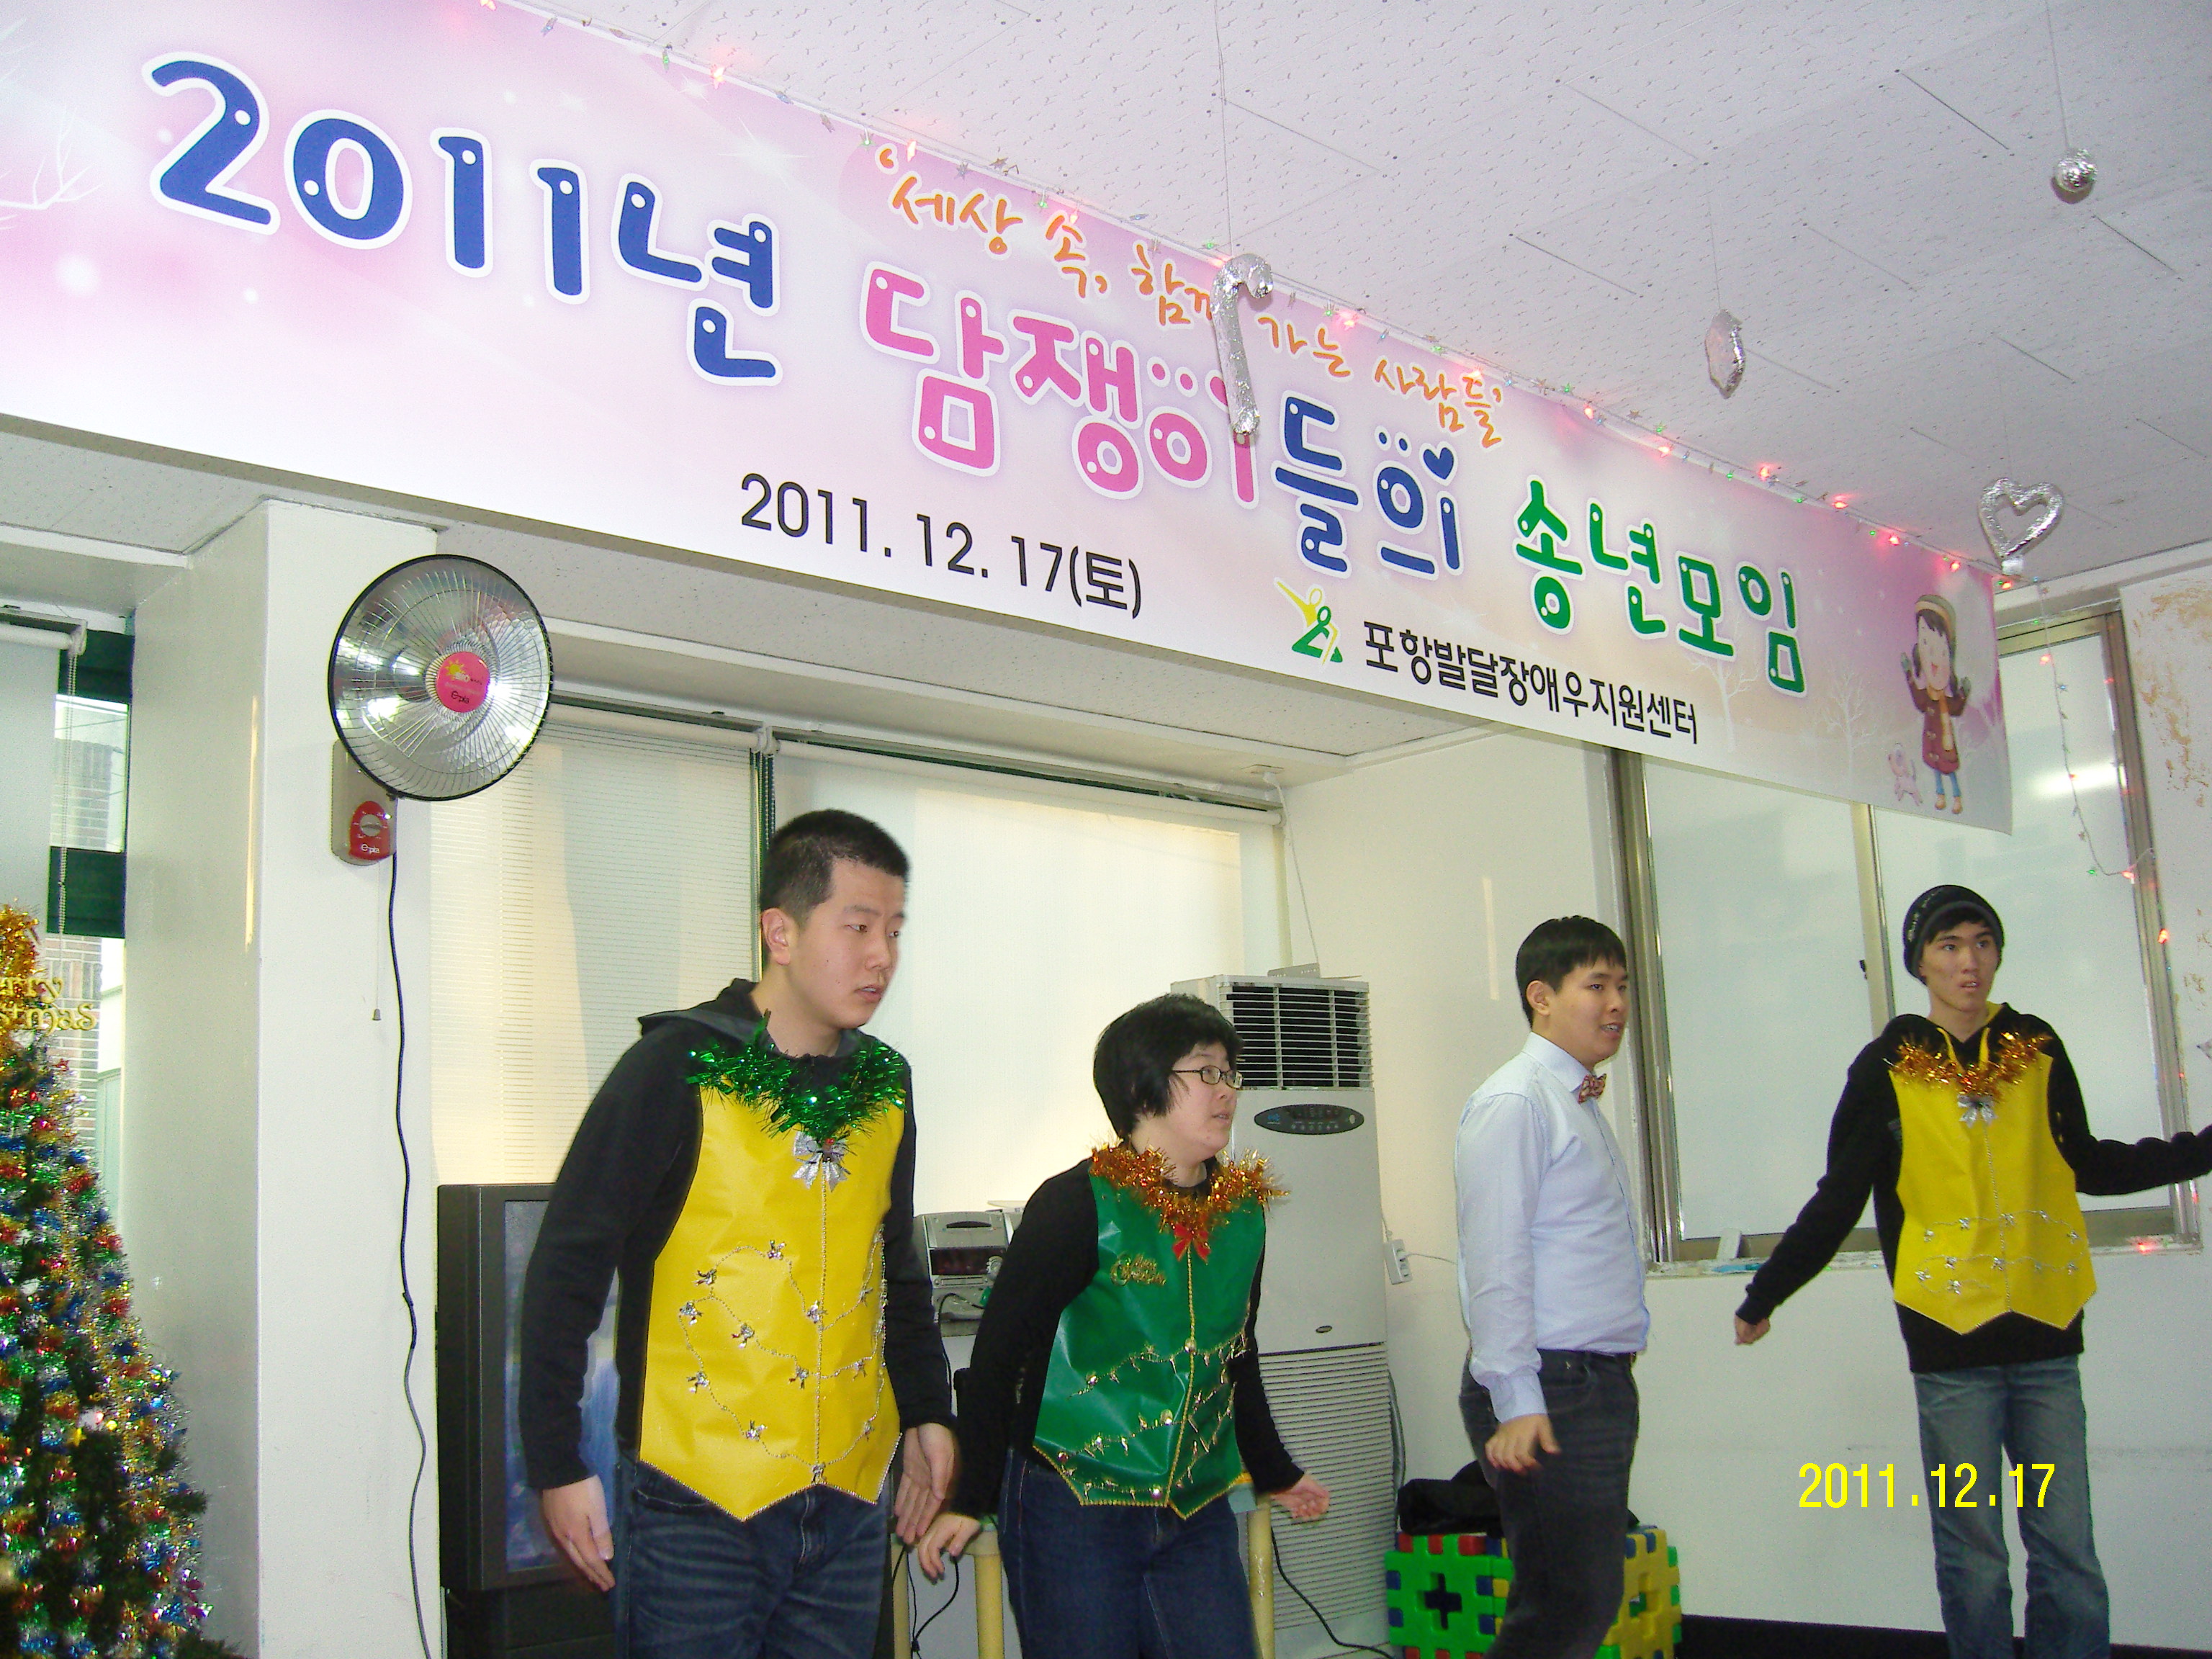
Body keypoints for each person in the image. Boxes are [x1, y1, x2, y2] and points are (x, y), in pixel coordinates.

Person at [518, 809, 956, 1658]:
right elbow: (567, 1269)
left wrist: (929, 1412)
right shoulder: (676, 1066)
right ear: (780, 932)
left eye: (895, 930)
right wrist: (556, 1464)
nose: (882, 956)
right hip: (696, 1503)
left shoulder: (886, 1084)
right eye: (858, 926)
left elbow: (894, 1267)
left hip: (850, 1500)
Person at [1734, 884, 2212, 1659]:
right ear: (1919, 961)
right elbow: (1840, 1196)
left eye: (1983, 943)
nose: (1970, 962)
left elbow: (2089, 1164)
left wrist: (2204, 1149)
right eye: (1950, 945)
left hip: (2047, 1336)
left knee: (2067, 1549)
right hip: (1950, 1347)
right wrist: (1767, 1293)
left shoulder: (2037, 1046)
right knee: (1976, 1558)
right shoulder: (1887, 1066)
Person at [914, 993, 1330, 1659]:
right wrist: (971, 1497)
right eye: (1205, 1071)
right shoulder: (1078, 1204)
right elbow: (996, 1360)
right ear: (1142, 1090)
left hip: (1193, 1501)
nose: (1226, 1090)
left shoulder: (1242, 1213)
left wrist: (1275, 1469)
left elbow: (1235, 1355)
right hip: (1073, 1496)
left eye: (1230, 1072)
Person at [1455, 916, 1646, 1659]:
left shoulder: (1573, 1099)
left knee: (1576, 1603)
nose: (1616, 1003)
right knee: (1566, 1607)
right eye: (1596, 985)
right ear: (1541, 997)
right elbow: (1494, 1261)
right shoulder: (1517, 1102)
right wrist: (1518, 1401)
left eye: (1622, 985)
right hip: (1549, 1385)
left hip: (1590, 1381)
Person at [1904, 593, 1971, 815]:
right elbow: (1918, 699)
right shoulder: (1928, 698)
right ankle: (1940, 795)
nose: (1933, 657)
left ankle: (1956, 796)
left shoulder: (1944, 701)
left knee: (1950, 771)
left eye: (1941, 650)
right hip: (1933, 746)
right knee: (1936, 771)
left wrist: (1963, 693)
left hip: (1945, 746)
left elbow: (1956, 708)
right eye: (1925, 644)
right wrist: (1908, 674)